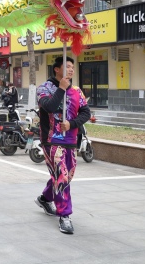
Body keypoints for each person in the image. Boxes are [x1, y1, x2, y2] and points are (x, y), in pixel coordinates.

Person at [35, 56, 91, 235]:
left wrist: (72, 124)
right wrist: (61, 89)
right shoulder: (44, 88)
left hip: (71, 140)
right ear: (57, 69)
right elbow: (49, 107)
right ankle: (65, 216)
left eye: (72, 67)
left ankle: (45, 198)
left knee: (66, 176)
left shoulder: (76, 91)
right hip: (51, 139)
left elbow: (86, 112)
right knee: (61, 176)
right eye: (67, 66)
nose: (71, 70)